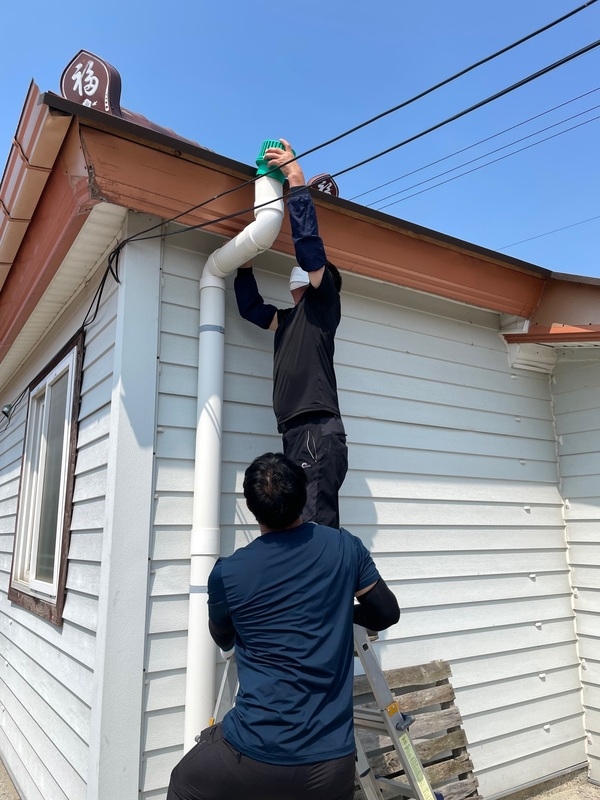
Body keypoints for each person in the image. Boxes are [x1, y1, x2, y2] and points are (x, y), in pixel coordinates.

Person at [167, 452, 400, 800]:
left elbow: (223, 636)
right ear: (303, 498)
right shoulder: (344, 548)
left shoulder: (228, 573)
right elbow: (385, 613)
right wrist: (335, 613)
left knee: (184, 782)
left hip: (253, 754)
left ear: (252, 506)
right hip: (332, 765)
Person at [234, 139, 347, 528]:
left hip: (316, 429)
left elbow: (311, 253)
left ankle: (327, 587)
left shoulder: (321, 308)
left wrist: (296, 181)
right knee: (301, 526)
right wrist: (243, 264)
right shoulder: (289, 320)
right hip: (298, 432)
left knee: (315, 530)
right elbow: (251, 310)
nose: (303, 275)